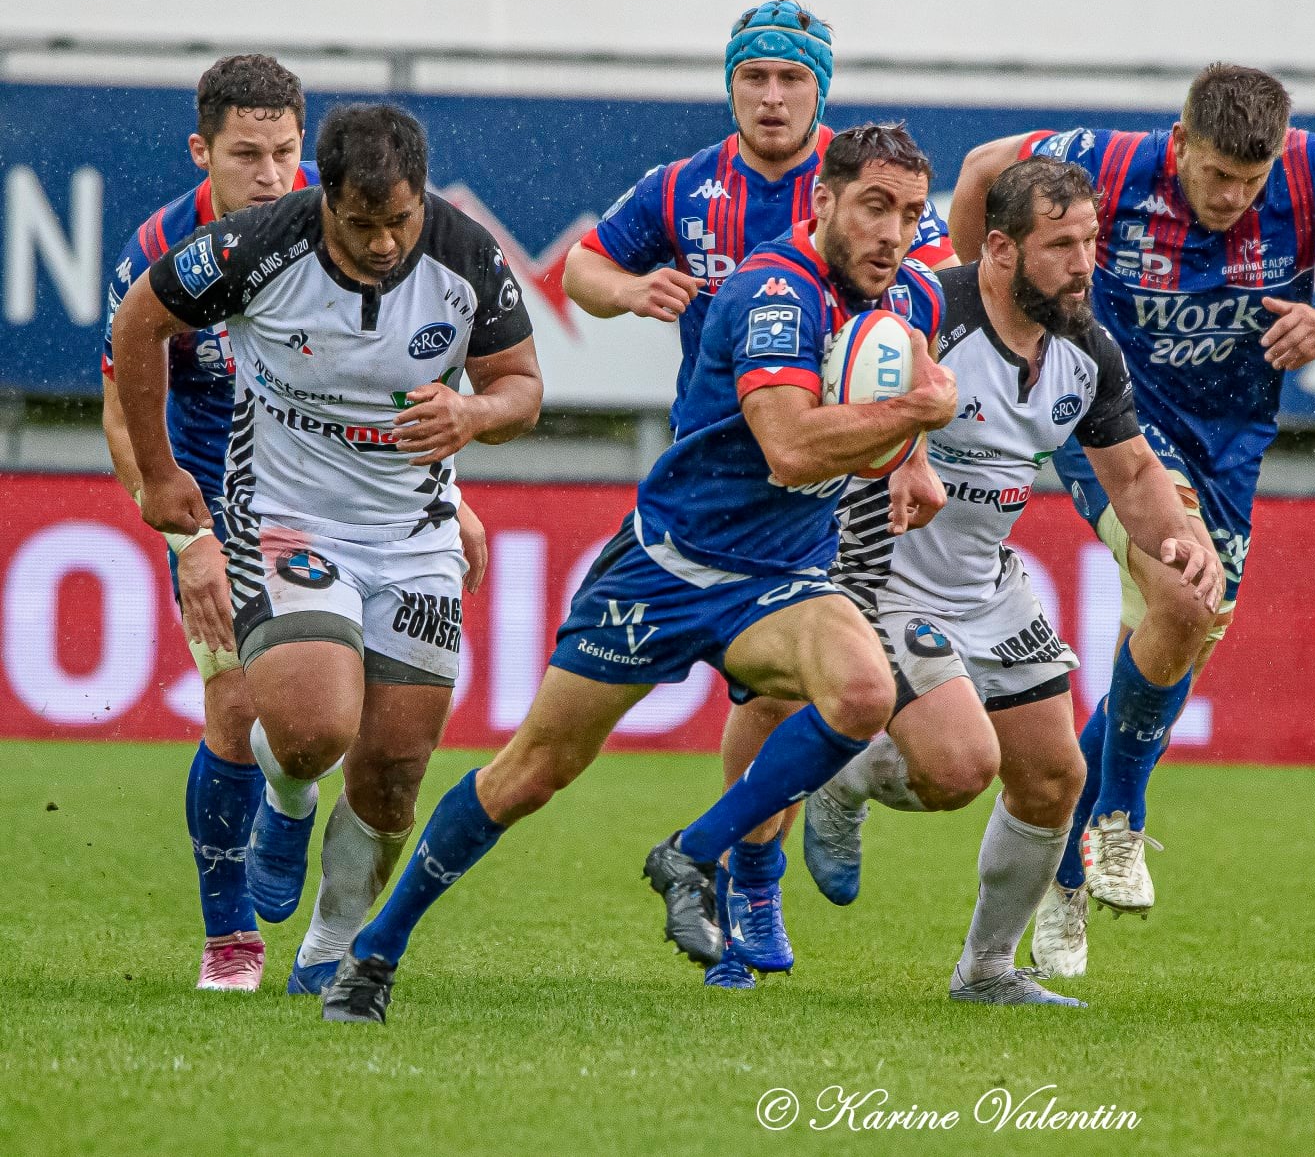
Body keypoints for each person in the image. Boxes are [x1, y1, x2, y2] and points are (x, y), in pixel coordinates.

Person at [320, 124, 957, 1024]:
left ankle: (692, 857)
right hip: (666, 568)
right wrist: (913, 412)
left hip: (780, 575)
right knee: (530, 773)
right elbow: (789, 443)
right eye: (872, 207)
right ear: (823, 201)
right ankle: (372, 955)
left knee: (860, 693)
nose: (892, 232)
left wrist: (912, 451)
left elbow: (895, 400)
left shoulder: (910, 299)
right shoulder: (774, 290)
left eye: (907, 213)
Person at [948, 64, 1315, 965]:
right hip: (1112, 420)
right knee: (1182, 596)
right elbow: (982, 169)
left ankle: (1067, 858)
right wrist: (976, 304)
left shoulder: (1314, 172)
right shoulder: (1106, 163)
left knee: (1182, 633)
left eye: (1248, 183)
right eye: (1215, 175)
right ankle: (1120, 819)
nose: (1230, 197)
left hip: (1230, 439)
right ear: (1179, 145)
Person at [562, 0, 959, 987]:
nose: (772, 96)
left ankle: (751, 867)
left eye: (791, 79)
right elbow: (580, 266)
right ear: (731, 84)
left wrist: (909, 451)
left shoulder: (869, 186)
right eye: (755, 77)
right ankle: (752, 863)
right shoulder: (684, 185)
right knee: (776, 683)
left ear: (820, 89)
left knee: (791, 683)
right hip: (732, 464)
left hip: (844, 462)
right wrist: (630, 291)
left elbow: (918, 315)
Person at [110, 104, 539, 998]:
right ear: (326, 198)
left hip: (413, 536)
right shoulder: (259, 245)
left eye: (401, 221)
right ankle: (287, 800)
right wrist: (158, 476)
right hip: (285, 516)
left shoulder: (467, 253)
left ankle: (327, 952)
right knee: (308, 733)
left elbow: (523, 388)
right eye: (362, 223)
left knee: (391, 778)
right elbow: (136, 325)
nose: (384, 243)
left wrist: (473, 416)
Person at [791, 157, 1221, 1002]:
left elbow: (1130, 474)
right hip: (879, 571)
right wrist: (907, 451)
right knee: (957, 769)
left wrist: (1181, 542)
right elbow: (859, 389)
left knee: (1054, 779)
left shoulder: (1086, 350)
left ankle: (986, 973)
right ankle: (842, 779)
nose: (1083, 263)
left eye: (1090, 241)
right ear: (997, 249)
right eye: (1060, 245)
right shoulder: (921, 308)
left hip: (984, 584)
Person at [98, 54, 313, 993]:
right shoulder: (157, 250)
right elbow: (119, 411)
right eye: (247, 155)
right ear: (202, 150)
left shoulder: (335, 226)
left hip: (330, 488)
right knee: (233, 703)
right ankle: (230, 939)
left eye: (286, 153)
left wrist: (453, 494)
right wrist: (184, 535)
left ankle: (294, 793)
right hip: (217, 497)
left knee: (336, 723)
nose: (271, 178)